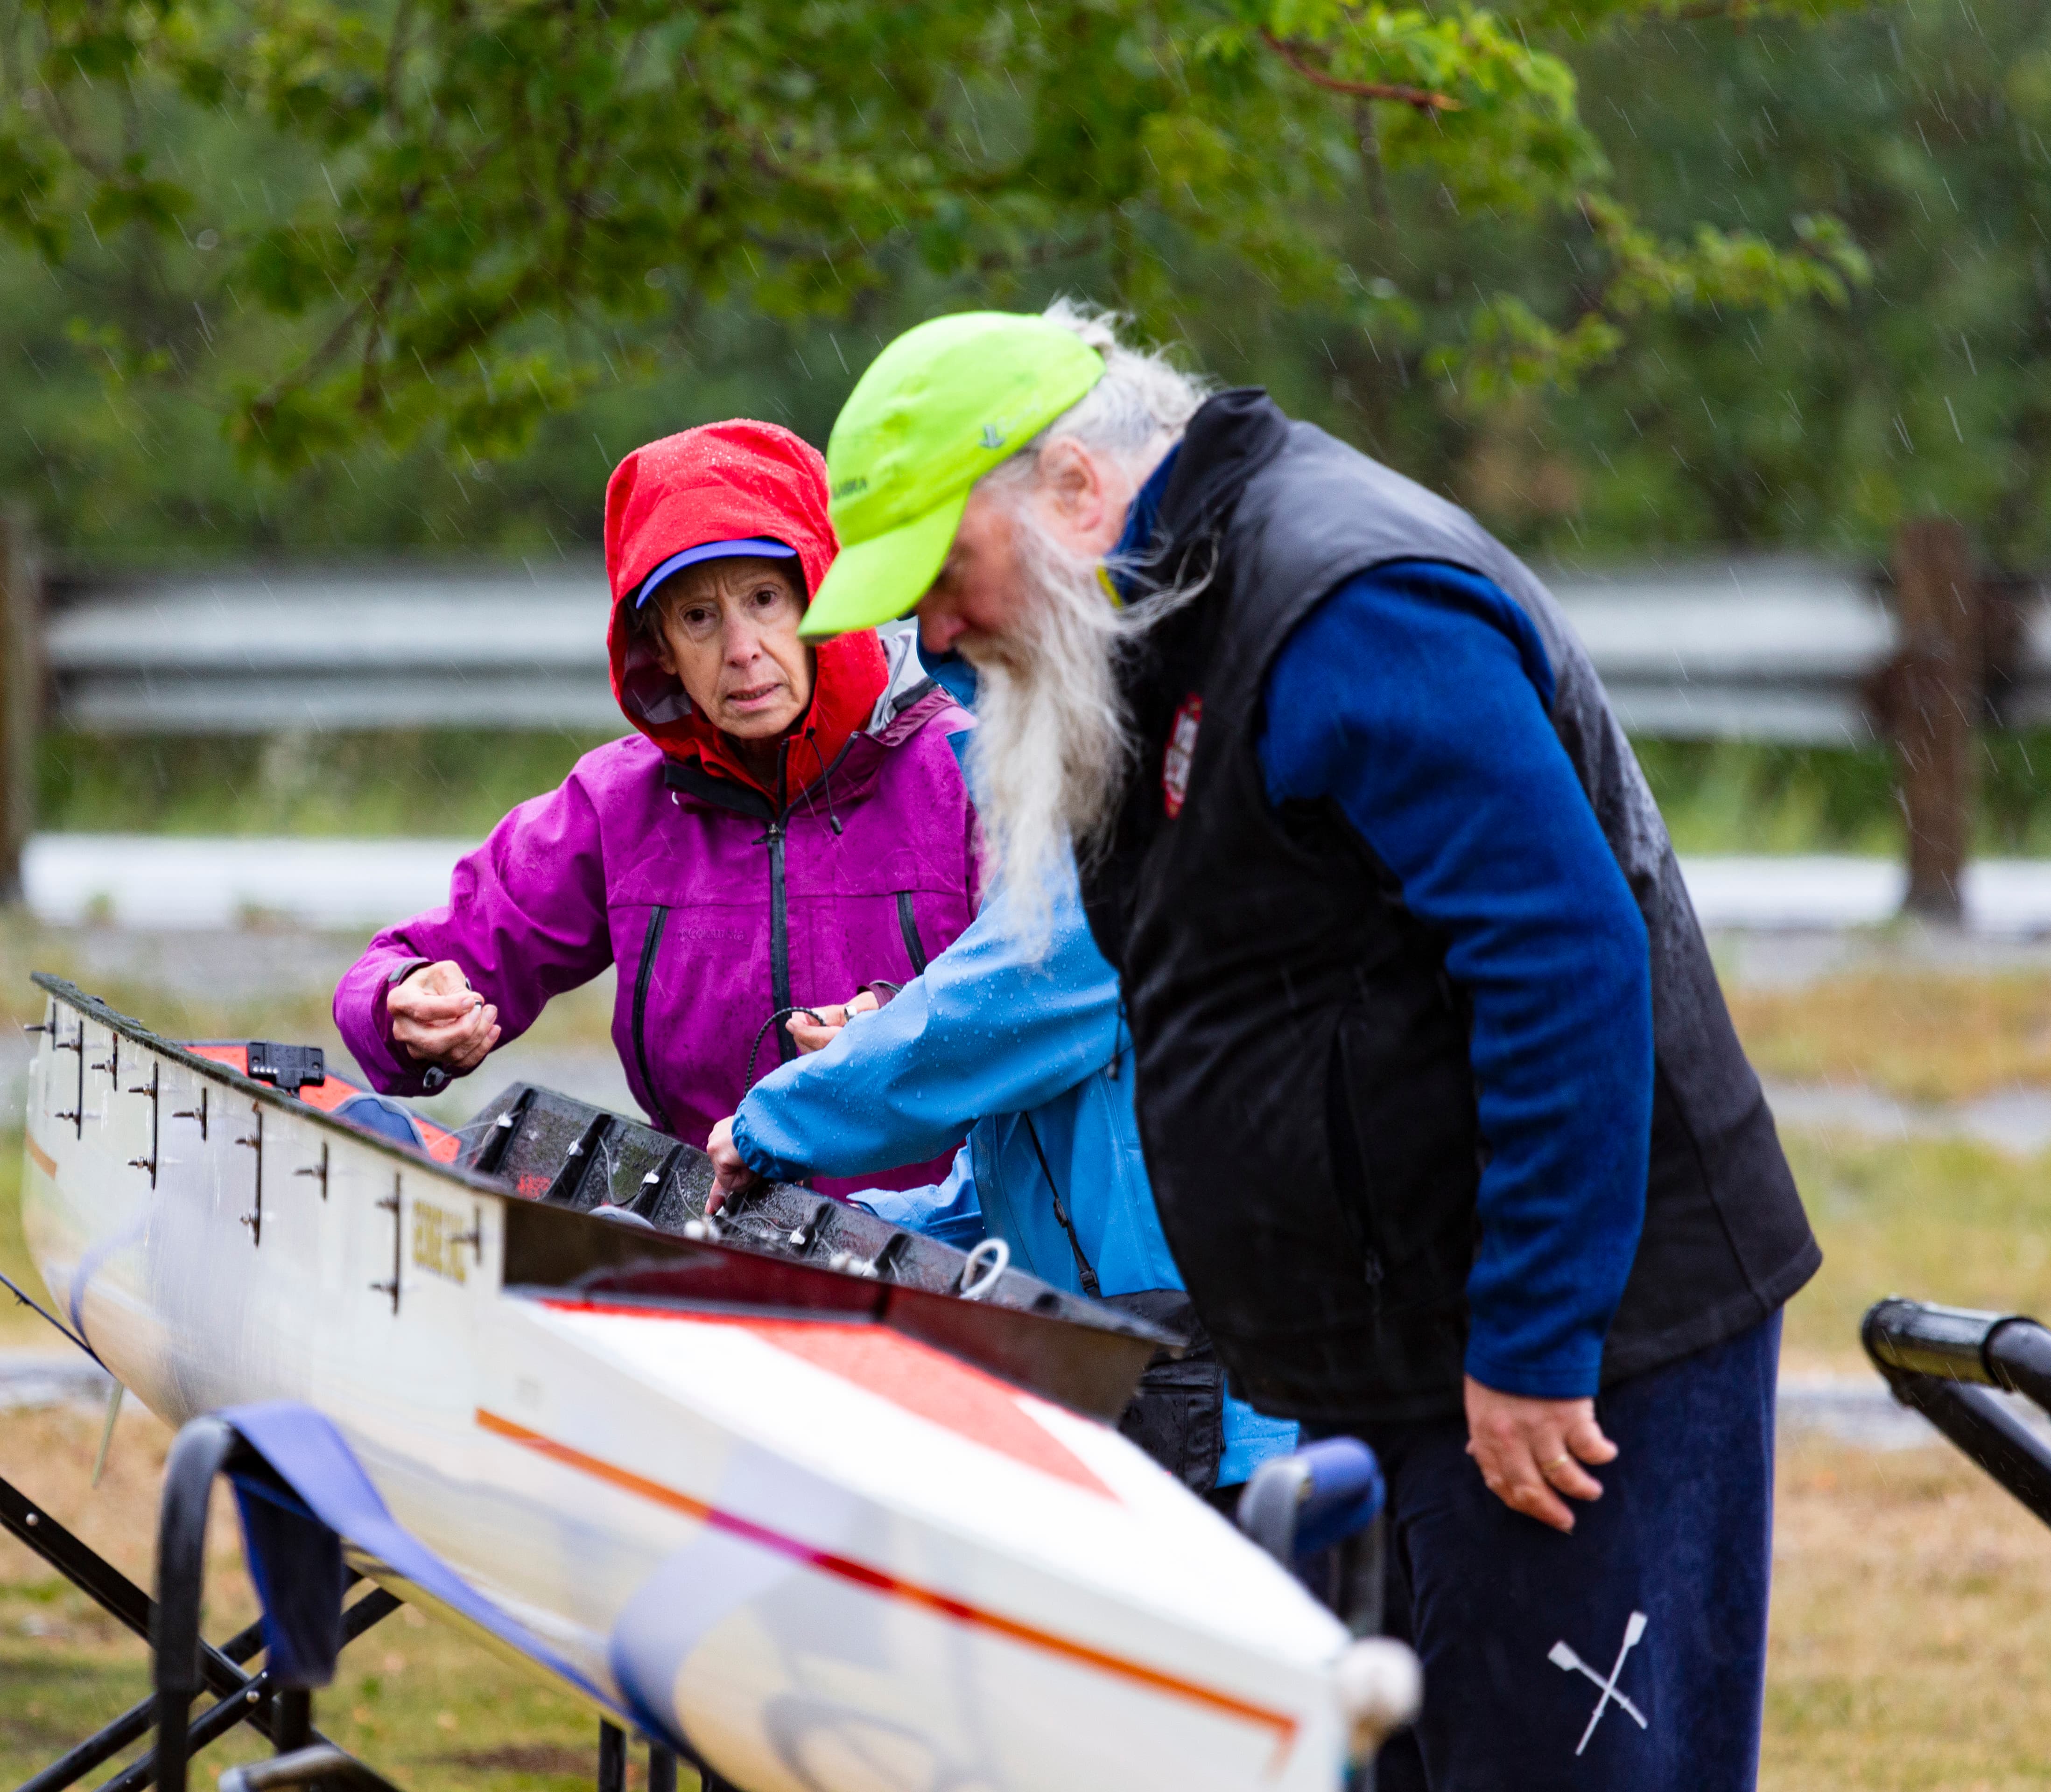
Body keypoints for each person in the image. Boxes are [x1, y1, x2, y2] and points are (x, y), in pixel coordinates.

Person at [794, 304, 1821, 1791]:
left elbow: (1563, 960)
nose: (934, 635)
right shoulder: (1157, 624)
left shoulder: (1347, 604)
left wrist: (1535, 1343)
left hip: (1569, 1351)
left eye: (945, 577)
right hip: (1397, 1352)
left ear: (1075, 490)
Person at [703, 647, 1300, 1499]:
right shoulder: (1056, 804)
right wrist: (852, 1234)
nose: (931, 631)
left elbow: (987, 1013)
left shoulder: (1123, 823)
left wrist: (772, 1128)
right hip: (1160, 1376)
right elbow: (1050, 1164)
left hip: (1228, 1407)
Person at [332, 420, 976, 1198]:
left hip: (957, 1249)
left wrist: (896, 1029)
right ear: (659, 644)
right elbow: (420, 960)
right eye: (699, 617)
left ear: (823, 597)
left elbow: (1047, 1000)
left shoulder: (968, 769)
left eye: (765, 599)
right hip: (710, 1240)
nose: (741, 649)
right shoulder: (618, 804)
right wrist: (401, 1005)